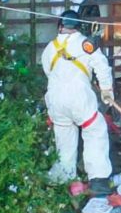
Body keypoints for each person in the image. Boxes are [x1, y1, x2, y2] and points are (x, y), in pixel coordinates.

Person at [41, 11, 114, 194]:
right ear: (79, 26)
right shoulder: (85, 44)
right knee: (95, 129)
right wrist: (106, 89)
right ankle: (98, 179)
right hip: (78, 97)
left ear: (60, 26)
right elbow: (101, 65)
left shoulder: (50, 47)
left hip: (56, 99)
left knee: (64, 136)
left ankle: (64, 178)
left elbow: (48, 71)